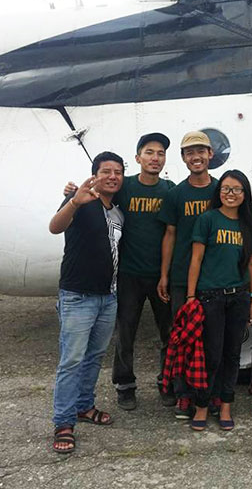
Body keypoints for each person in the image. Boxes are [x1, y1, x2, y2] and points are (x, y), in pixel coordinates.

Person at [65, 133, 176, 411]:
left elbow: (171, 233)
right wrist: (71, 192)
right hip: (127, 274)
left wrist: (166, 274)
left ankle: (168, 382)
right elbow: (97, 188)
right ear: (138, 158)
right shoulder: (123, 186)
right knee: (125, 333)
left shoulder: (169, 190)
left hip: (161, 275)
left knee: (169, 332)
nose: (155, 158)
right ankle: (124, 385)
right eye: (149, 152)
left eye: (160, 153)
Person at [49, 152, 125, 454]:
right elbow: (55, 227)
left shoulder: (117, 212)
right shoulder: (81, 201)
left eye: (118, 172)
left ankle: (83, 406)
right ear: (94, 175)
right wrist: (74, 201)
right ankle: (63, 422)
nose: (113, 176)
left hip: (108, 296)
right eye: (106, 171)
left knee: (94, 358)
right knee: (71, 361)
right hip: (77, 296)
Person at [186, 170, 252, 431]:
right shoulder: (207, 219)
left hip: (239, 296)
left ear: (244, 195)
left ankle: (226, 404)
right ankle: (203, 405)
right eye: (226, 189)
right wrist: (191, 296)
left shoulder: (247, 224)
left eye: (237, 190)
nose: (231, 194)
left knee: (232, 354)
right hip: (210, 297)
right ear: (219, 193)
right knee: (211, 354)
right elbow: (196, 259)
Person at [157, 131, 218, 419]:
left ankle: (208, 393)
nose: (196, 157)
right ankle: (182, 394)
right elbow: (169, 235)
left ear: (210, 155)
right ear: (183, 158)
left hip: (214, 277)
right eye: (190, 153)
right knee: (182, 337)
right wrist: (164, 275)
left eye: (201, 151)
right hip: (182, 276)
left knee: (210, 338)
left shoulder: (221, 191)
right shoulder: (176, 194)